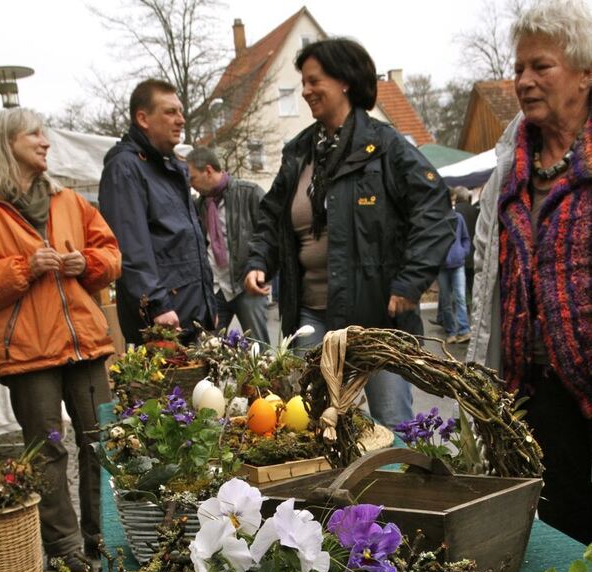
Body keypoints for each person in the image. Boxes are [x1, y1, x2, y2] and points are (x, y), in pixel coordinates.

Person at [244, 38, 454, 430]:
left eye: (313, 81)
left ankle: (394, 493)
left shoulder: (385, 146)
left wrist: (410, 283)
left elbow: (436, 211)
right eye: (302, 83)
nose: (305, 91)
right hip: (310, 316)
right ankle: (335, 494)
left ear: (344, 81)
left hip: (377, 320)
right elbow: (271, 216)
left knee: (392, 423)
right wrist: (258, 261)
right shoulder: (300, 153)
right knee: (312, 420)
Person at [467, 0, 591, 543]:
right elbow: (485, 276)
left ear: (585, 73)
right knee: (555, 532)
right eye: (518, 68)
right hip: (530, 391)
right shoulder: (510, 168)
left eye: (541, 66)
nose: (524, 80)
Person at [0, 108, 122, 572]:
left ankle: (105, 535)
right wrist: (24, 267)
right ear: (6, 143)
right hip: (29, 353)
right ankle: (65, 548)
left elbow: (111, 253)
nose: (45, 141)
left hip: (84, 344)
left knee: (100, 441)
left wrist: (89, 263)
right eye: (34, 134)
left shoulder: (69, 202)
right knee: (49, 450)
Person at [99, 79, 215, 345]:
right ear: (143, 118)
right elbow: (130, 247)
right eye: (170, 112)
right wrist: (156, 306)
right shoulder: (125, 168)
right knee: (171, 387)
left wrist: (209, 307)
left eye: (181, 111)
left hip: (193, 315)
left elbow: (187, 240)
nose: (181, 120)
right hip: (164, 321)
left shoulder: (171, 168)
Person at [186, 146, 270, 345]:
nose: (191, 184)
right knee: (207, 349)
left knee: (260, 351)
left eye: (193, 178)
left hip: (246, 287)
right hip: (215, 290)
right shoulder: (198, 206)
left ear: (208, 170)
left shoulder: (250, 193)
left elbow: (271, 235)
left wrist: (262, 270)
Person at [438, 194, 471, 345]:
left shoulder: (459, 218)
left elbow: (465, 238)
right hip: (442, 267)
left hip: (458, 264)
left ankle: (464, 331)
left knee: (460, 297)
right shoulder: (436, 220)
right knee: (445, 300)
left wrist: (463, 252)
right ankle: (451, 332)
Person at [453, 185, 480, 313]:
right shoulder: (475, 211)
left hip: (458, 255)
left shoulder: (453, 212)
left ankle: (465, 310)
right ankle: (475, 309)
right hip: (474, 253)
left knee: (460, 287)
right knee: (473, 283)